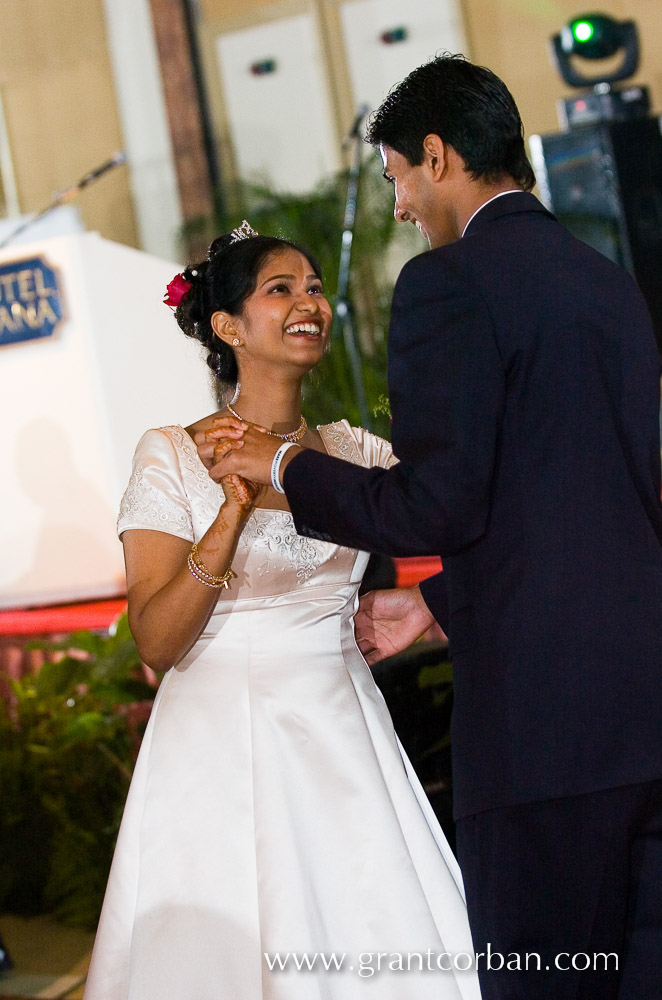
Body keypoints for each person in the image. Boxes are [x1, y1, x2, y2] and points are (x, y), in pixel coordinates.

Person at [213, 56, 662, 999]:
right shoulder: (608, 283)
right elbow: (592, 509)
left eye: (397, 180)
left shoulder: (447, 285)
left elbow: (439, 504)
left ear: (436, 152)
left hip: (545, 735)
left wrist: (283, 466)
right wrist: (435, 603)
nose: (401, 209)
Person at [82, 225, 481, 1000]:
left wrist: (433, 606)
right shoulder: (170, 453)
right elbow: (158, 641)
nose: (310, 303)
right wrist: (229, 515)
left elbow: (469, 518)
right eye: (282, 289)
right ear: (228, 327)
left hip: (343, 739)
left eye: (315, 287)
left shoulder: (357, 454)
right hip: (215, 752)